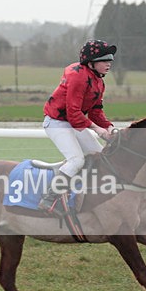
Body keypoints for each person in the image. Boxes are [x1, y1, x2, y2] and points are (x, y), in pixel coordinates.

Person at [39, 39, 116, 213]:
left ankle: (85, 195)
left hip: (73, 122)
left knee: (99, 156)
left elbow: (96, 112)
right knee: (77, 160)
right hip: (56, 122)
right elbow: (73, 113)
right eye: (104, 59)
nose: (109, 63)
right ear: (90, 62)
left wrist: (110, 128)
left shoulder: (99, 81)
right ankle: (49, 199)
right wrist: (97, 129)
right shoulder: (78, 77)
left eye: (110, 59)